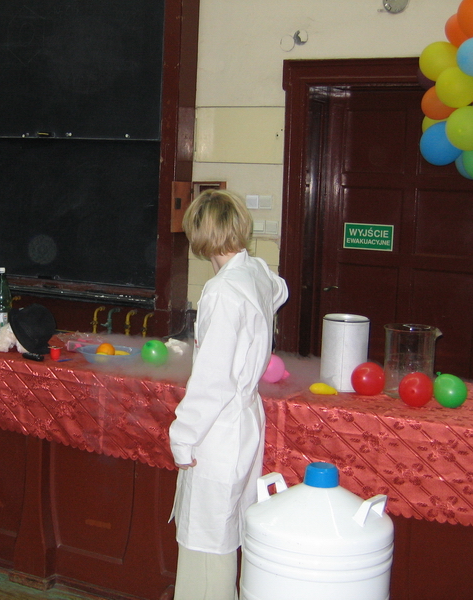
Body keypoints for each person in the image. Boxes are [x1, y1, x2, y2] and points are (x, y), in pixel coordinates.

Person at [168, 190, 288, 600]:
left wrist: (183, 438)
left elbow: (212, 382)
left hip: (218, 430)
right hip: (245, 421)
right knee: (226, 530)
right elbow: (280, 290)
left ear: (199, 236)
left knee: (206, 543)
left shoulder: (222, 291)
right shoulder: (255, 271)